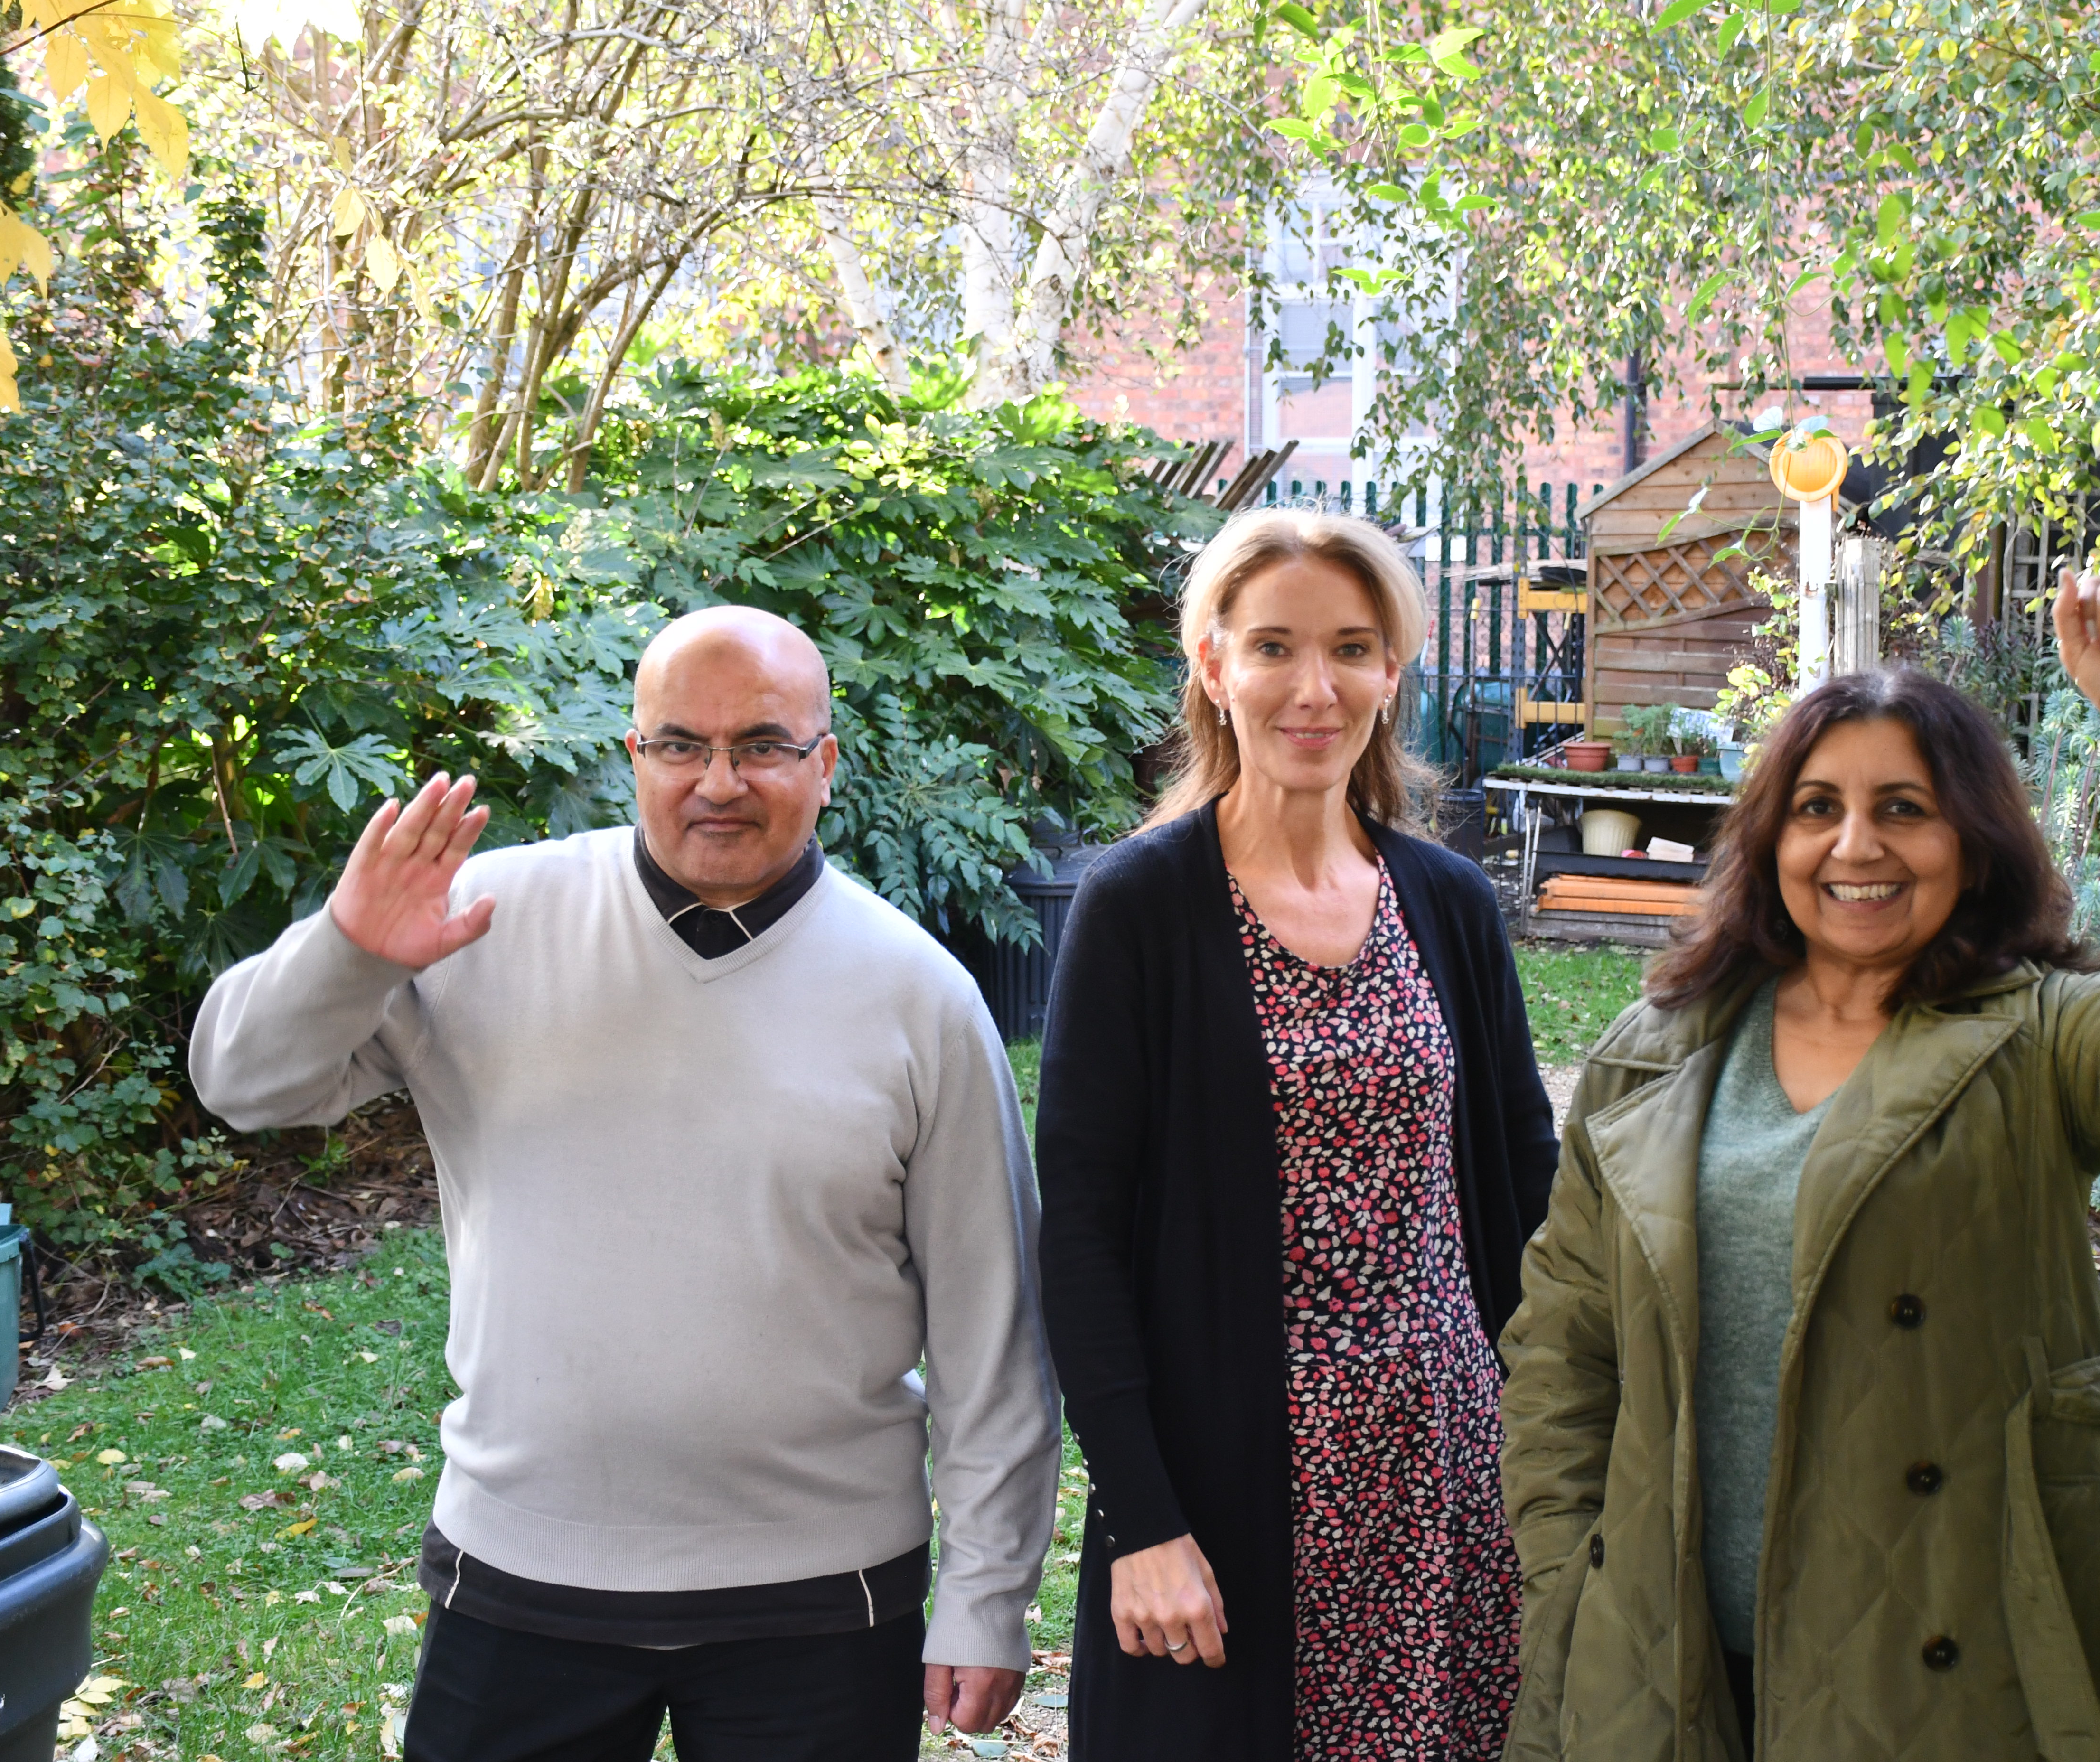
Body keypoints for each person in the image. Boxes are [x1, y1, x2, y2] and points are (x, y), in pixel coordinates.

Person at [189, 606, 1057, 1762]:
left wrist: (988, 1591)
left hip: (821, 1592)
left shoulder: (921, 997)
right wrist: (349, 947)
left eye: (763, 744)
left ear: (828, 762)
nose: (719, 781)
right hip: (522, 1573)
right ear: (633, 754)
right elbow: (244, 1082)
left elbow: (993, 1331)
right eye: (680, 744)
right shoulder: (478, 924)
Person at [1498, 571, 2100, 1762]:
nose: (1855, 844)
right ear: (1770, 835)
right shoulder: (1657, 1051)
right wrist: (1572, 1569)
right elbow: (1563, 1347)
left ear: (1971, 844)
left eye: (1905, 809)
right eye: (1817, 806)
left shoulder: (2038, 1041)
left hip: (1948, 1663)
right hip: (1668, 1659)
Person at [1035, 507, 1560, 1761]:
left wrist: (1559, 1466)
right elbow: (1084, 1241)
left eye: (1352, 649)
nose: (1313, 688)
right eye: (1274, 647)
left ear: (1393, 673)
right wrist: (1143, 1520)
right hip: (1230, 1491)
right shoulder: (1139, 908)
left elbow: (1530, 1207)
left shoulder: (1448, 903)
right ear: (1214, 667)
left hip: (1448, 1481)